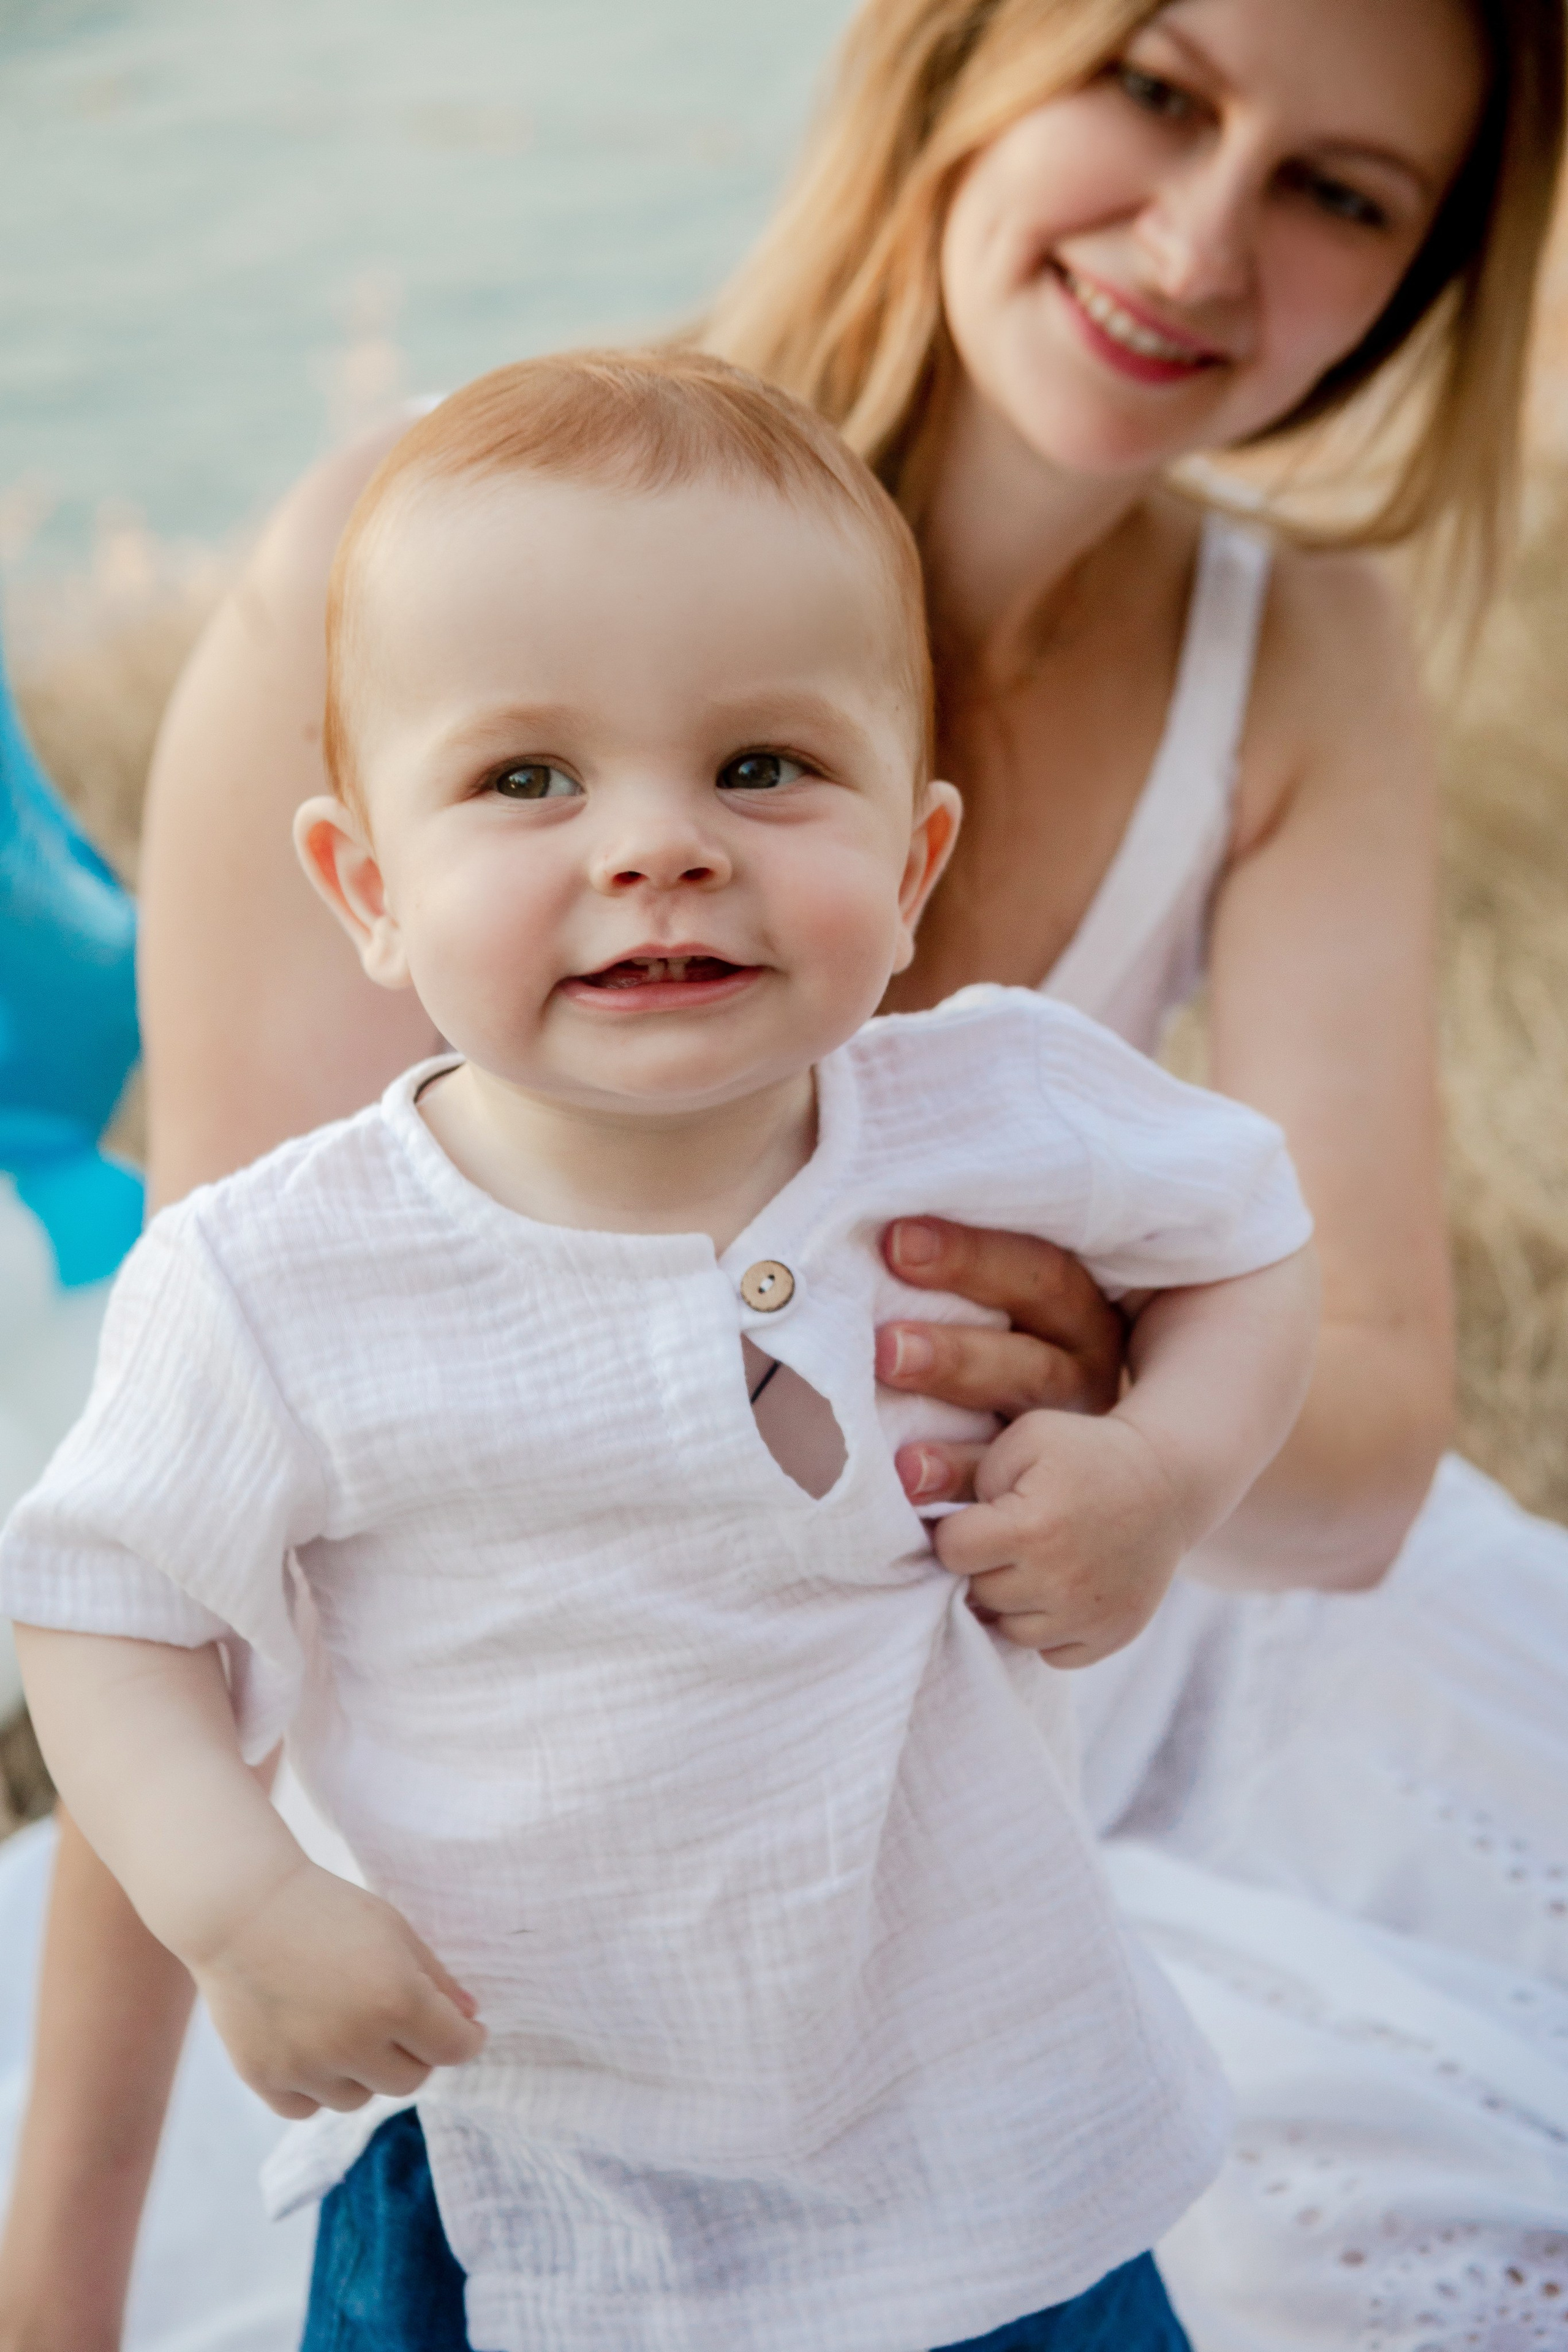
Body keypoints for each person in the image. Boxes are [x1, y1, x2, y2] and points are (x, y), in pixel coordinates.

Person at [1, 0, 1564, 2346]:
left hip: (1087, 1643)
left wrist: (1124, 1419)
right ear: (953, 66)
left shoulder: (1295, 648)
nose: (1201, 234)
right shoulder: (413, 572)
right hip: (545, 1752)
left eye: (1345, 193)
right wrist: (67, 2281)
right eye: (1152, 84)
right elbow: (218, 1549)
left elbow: (1335, 1422)